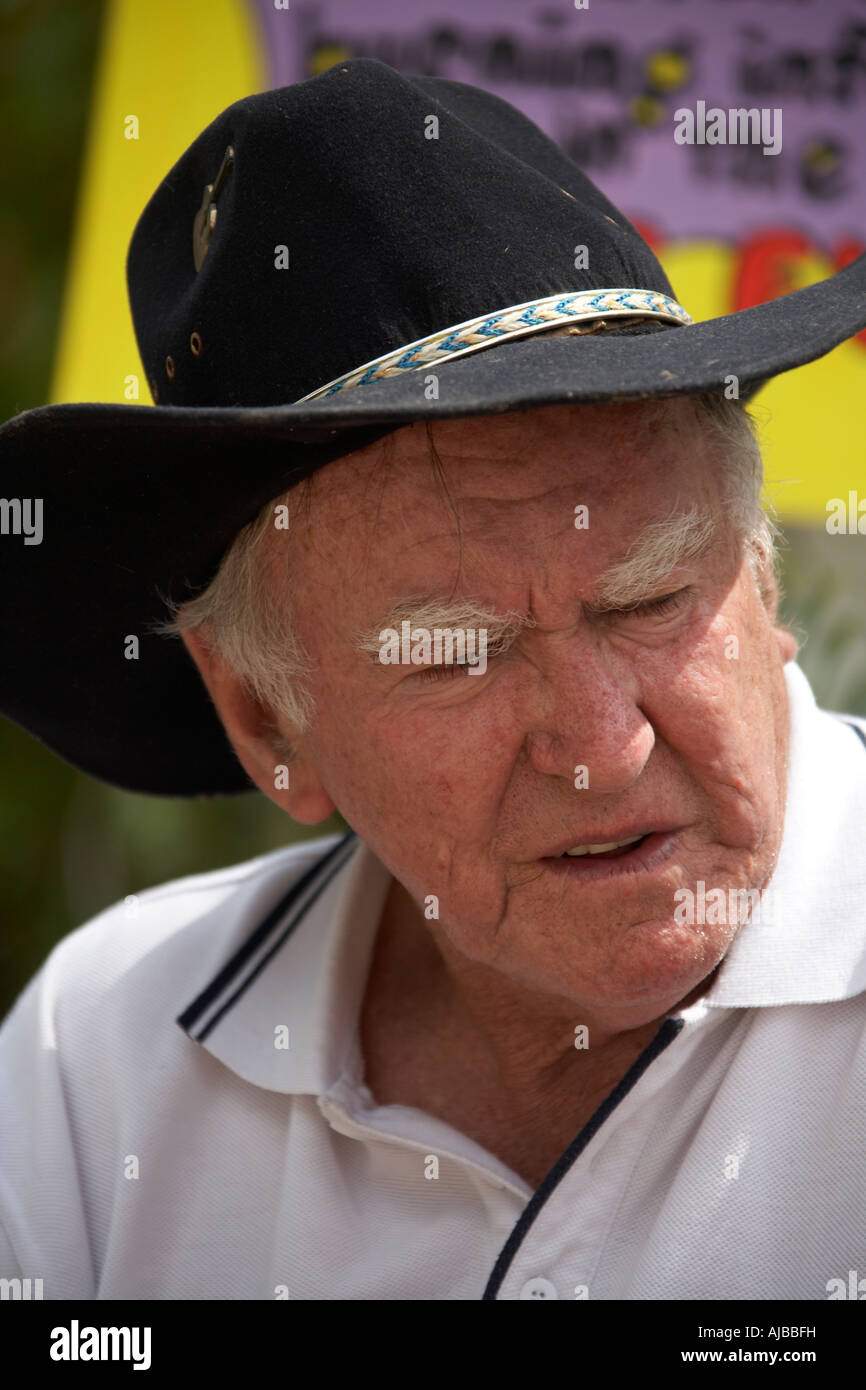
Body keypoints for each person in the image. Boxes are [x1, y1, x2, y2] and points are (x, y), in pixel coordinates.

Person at [1, 58, 865, 1301]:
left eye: (651, 599)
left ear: (763, 585)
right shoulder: (100, 1062)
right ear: (263, 717)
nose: (601, 745)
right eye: (455, 653)